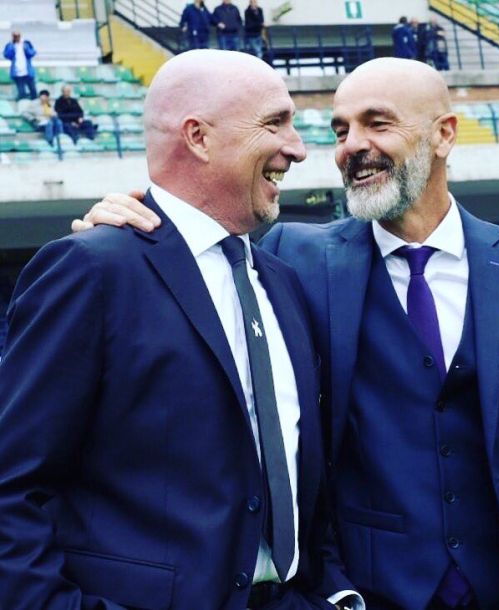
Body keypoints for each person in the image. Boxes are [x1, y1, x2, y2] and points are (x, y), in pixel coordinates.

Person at [76, 58, 499, 610]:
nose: (352, 146)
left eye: (377, 123)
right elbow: (186, 258)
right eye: (340, 131)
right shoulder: (290, 258)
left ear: (444, 134)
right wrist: (122, 226)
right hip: (368, 592)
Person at [0, 50, 361, 610]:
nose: (297, 148)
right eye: (274, 123)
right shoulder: (91, 269)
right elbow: (13, 485)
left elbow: (304, 477)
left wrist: (333, 594)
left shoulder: (284, 283)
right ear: (198, 137)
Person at [2, 31, 37, 101]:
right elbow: (7, 55)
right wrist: (12, 45)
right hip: (17, 73)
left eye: (18, 36)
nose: (17, 38)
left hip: (27, 72)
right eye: (15, 36)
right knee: (22, 93)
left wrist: (25, 47)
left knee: (33, 91)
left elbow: (32, 53)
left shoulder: (26, 44)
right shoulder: (10, 45)